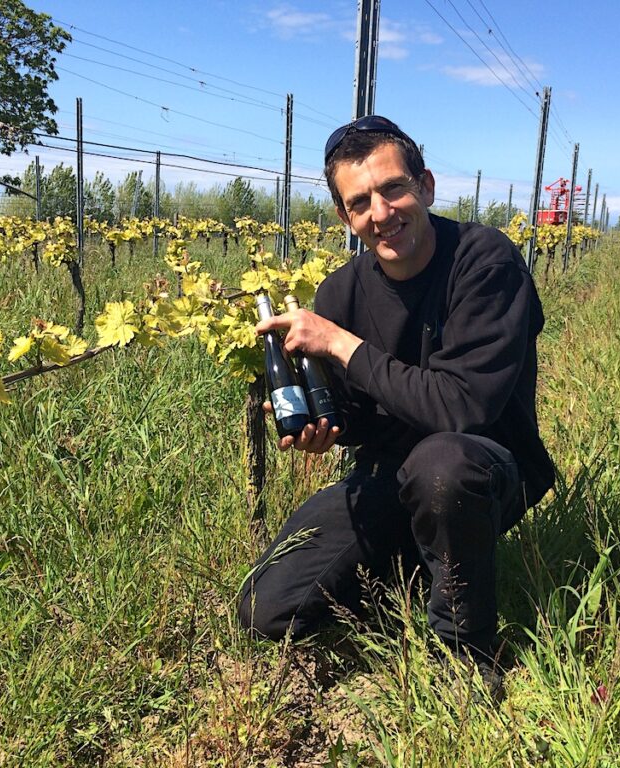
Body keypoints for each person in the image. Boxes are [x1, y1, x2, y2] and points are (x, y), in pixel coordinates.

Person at [238, 115, 555, 687]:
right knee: (266, 606)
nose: (381, 214)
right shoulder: (342, 290)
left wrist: (339, 342)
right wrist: (328, 426)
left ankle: (465, 653)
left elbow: (462, 409)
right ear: (344, 216)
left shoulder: (485, 263)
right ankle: (414, 570)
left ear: (426, 186)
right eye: (360, 202)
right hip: (389, 480)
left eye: (393, 189)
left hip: (483, 469)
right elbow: (364, 409)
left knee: (442, 466)